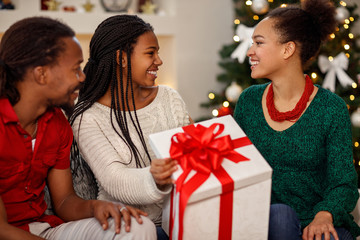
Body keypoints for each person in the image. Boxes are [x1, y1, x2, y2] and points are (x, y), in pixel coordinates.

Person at [0, 16, 156, 240]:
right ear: (41, 74)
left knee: (137, 226)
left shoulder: (58, 124)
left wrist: (97, 207)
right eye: (75, 69)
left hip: (43, 229)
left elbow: (63, 201)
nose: (82, 77)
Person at [233, 0, 360, 239]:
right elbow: (237, 171)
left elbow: (343, 183)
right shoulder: (248, 102)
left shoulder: (331, 108)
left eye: (258, 43)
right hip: (265, 223)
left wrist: (324, 214)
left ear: (287, 49)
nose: (250, 51)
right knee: (281, 216)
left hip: (320, 223)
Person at [69, 15, 192, 240]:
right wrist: (155, 177)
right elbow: (114, 180)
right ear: (121, 58)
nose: (159, 60)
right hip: (132, 226)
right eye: (150, 53)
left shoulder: (169, 98)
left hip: (184, 218)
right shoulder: (87, 117)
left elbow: (191, 158)